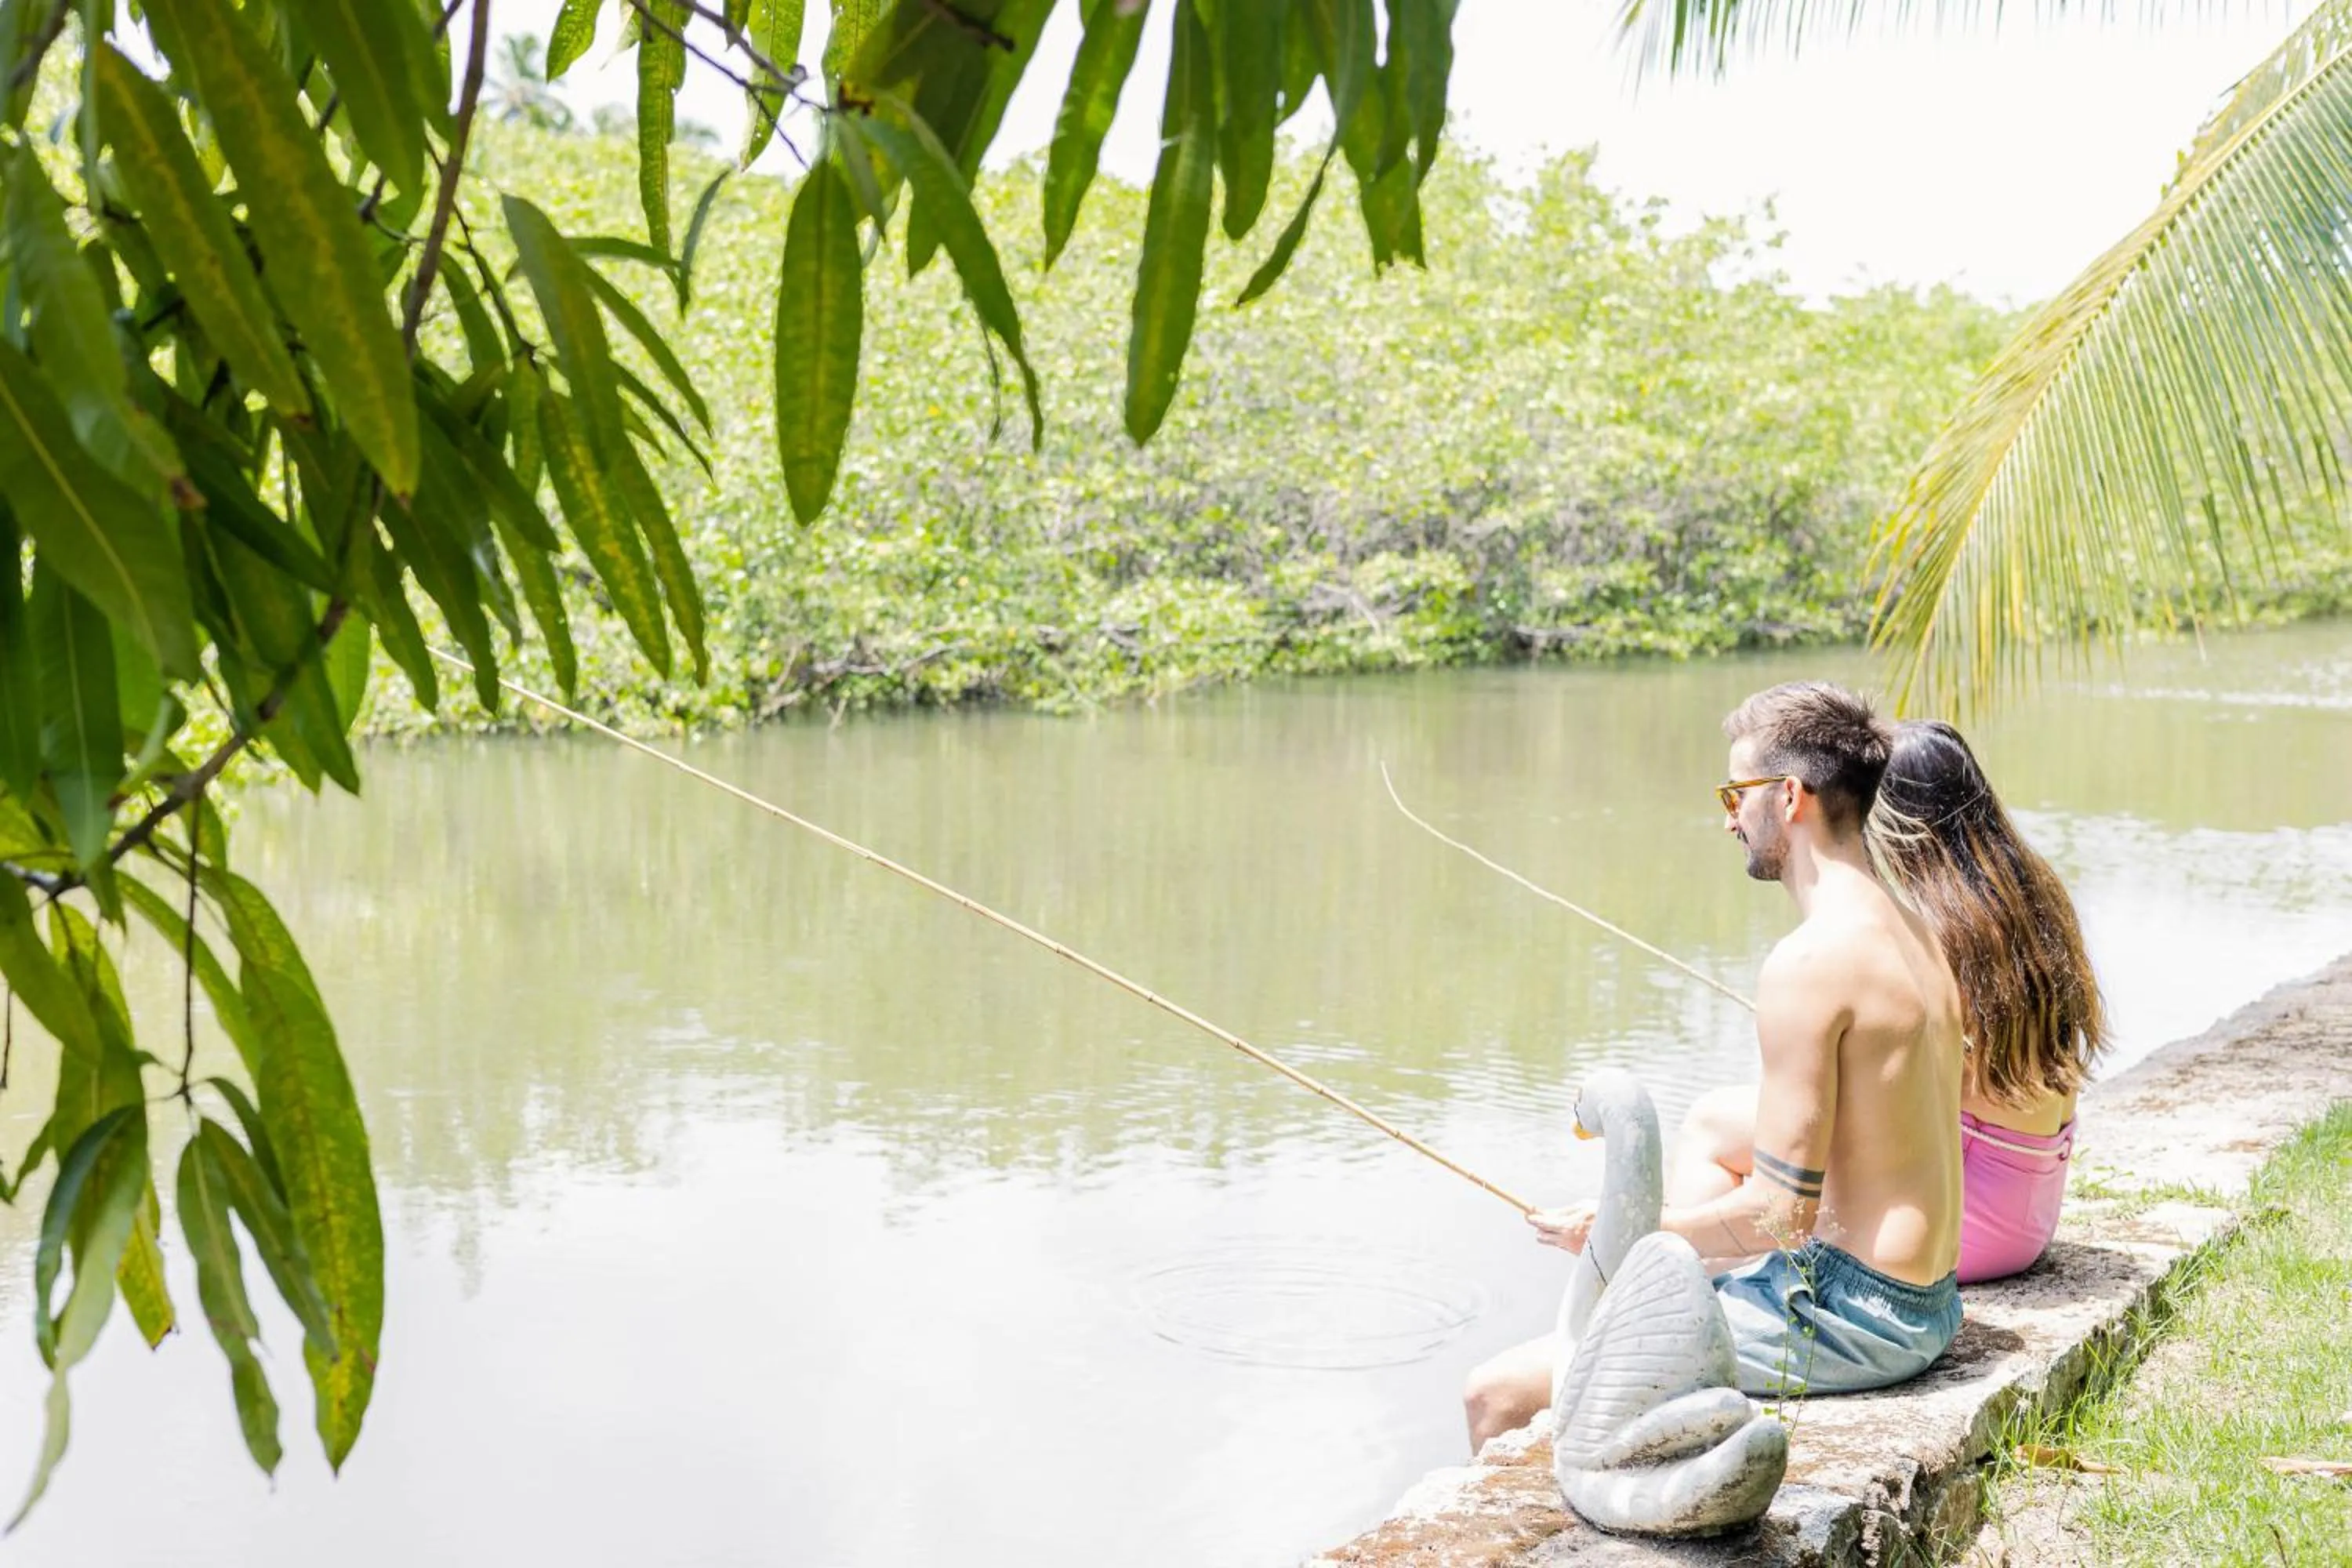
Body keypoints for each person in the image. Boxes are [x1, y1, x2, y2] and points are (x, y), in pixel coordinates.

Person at [1462, 682, 1966, 1450]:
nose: (1728, 816)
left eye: (1737, 792)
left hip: (1852, 1313)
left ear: (1789, 796)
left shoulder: (1809, 962)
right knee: (1658, 1297)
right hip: (1928, 1300)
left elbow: (1780, 1215)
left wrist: (1632, 1232)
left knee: (1495, 1394)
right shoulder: (1914, 928)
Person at [1668, 720, 2106, 1285]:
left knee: (1710, 1124)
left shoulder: (1931, 930)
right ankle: (1728, 1279)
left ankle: (1699, 1296)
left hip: (1960, 1227)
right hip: (2029, 1210)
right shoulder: (2025, 891)